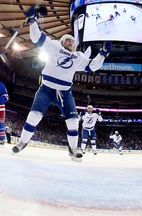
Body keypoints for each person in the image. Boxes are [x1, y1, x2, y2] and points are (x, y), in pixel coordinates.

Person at [12, 7, 111, 162]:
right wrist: (32, 20)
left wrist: (103, 53)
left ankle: (73, 149)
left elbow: (93, 66)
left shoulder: (79, 56)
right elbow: (37, 37)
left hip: (64, 93)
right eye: (67, 40)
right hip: (46, 90)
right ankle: (23, 142)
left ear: (75, 45)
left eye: (72, 41)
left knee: (72, 122)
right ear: (62, 42)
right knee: (33, 117)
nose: (70, 42)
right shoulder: (54, 46)